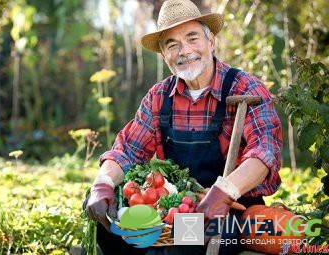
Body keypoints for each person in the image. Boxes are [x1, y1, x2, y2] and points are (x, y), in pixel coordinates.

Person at [85, 0, 283, 254]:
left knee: (183, 237)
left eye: (192, 38)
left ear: (211, 41)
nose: (184, 50)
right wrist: (102, 183)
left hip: (231, 211)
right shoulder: (159, 96)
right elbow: (128, 151)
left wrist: (225, 192)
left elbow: (265, 152)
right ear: (164, 55)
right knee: (104, 215)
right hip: (176, 206)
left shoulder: (245, 89)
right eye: (172, 44)